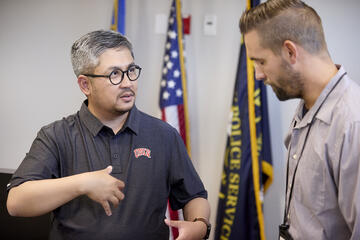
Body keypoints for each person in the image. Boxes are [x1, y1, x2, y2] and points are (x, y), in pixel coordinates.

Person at [6, 30, 211, 240]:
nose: (127, 83)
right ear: (86, 85)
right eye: (114, 74)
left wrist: (200, 225)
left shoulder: (164, 135)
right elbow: (16, 202)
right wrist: (82, 183)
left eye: (131, 70)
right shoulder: (56, 135)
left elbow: (194, 196)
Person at [240, 0, 360, 239]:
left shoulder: (351, 124)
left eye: (260, 61)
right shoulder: (308, 106)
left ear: (290, 51)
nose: (258, 75)